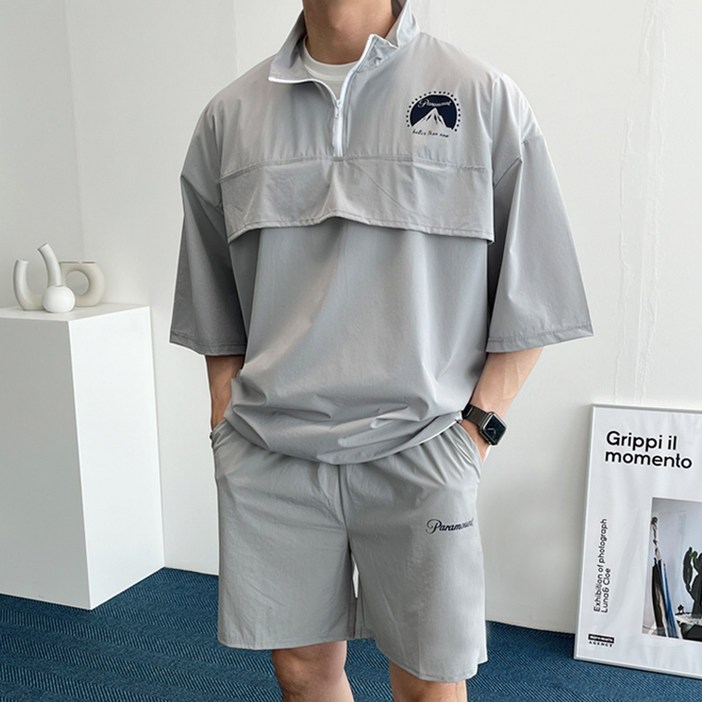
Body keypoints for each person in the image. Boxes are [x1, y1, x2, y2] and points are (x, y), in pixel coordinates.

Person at [170, 0, 593, 699]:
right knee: (302, 672)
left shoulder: (482, 98)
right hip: (274, 454)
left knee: (429, 683)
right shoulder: (230, 117)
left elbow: (538, 293)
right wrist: (225, 416)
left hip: (421, 448)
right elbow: (213, 299)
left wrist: (476, 432)